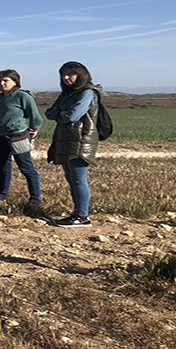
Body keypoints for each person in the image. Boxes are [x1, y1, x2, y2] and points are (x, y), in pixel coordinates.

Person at [45, 62, 101, 227]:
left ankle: (82, 216)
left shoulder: (88, 93)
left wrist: (61, 114)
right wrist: (60, 114)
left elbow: (72, 116)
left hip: (81, 140)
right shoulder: (67, 94)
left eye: (71, 74)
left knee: (78, 178)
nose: (66, 77)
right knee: (71, 177)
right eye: (63, 74)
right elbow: (49, 113)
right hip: (67, 138)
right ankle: (77, 213)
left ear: (81, 75)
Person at [0, 69, 42, 207]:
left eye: (6, 80)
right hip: (0, 136)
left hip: (17, 136)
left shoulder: (22, 96)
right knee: (3, 167)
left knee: (26, 168)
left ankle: (35, 199)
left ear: (15, 81)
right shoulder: (1, 96)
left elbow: (35, 117)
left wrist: (34, 131)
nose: (2, 83)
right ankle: (1, 195)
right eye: (0, 81)